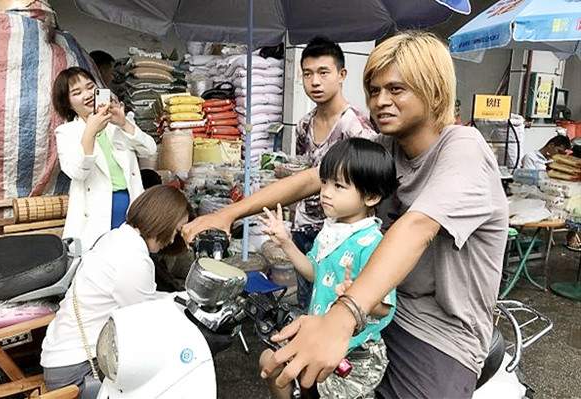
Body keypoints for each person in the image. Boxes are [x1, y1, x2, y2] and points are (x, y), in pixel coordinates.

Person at [183, 31, 508, 398]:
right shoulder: (384, 146)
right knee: (282, 371)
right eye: (373, 90)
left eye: (396, 90)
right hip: (379, 312)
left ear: (433, 90)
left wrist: (343, 315)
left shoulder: (464, 149)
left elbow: (416, 227)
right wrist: (229, 214)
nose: (380, 101)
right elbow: (312, 178)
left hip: (439, 335)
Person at [258, 138, 397, 399]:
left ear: (371, 196)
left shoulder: (372, 243)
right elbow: (314, 272)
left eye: (339, 186)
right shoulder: (331, 230)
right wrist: (286, 243)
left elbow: (385, 307)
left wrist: (356, 296)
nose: (325, 192)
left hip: (354, 350)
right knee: (271, 363)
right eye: (324, 182)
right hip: (318, 334)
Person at [41, 185, 190, 395]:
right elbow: (147, 318)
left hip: (62, 359)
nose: (174, 239)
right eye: (175, 230)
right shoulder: (134, 258)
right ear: (163, 221)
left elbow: (139, 296)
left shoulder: (117, 238)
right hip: (78, 371)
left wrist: (179, 297)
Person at [290, 36, 378, 310]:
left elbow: (366, 182)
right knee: (308, 302)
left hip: (340, 235)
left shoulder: (356, 128)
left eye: (323, 72)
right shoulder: (304, 124)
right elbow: (305, 173)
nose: (315, 82)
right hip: (304, 228)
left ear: (342, 75)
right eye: (307, 74)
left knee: (335, 304)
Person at [52, 67, 156, 250]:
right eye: (77, 92)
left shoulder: (118, 122)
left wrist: (124, 123)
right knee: (99, 263)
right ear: (67, 103)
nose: (87, 95)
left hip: (131, 206)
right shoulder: (66, 133)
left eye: (90, 87)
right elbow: (78, 172)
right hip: (96, 214)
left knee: (130, 260)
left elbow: (150, 150)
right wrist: (90, 132)